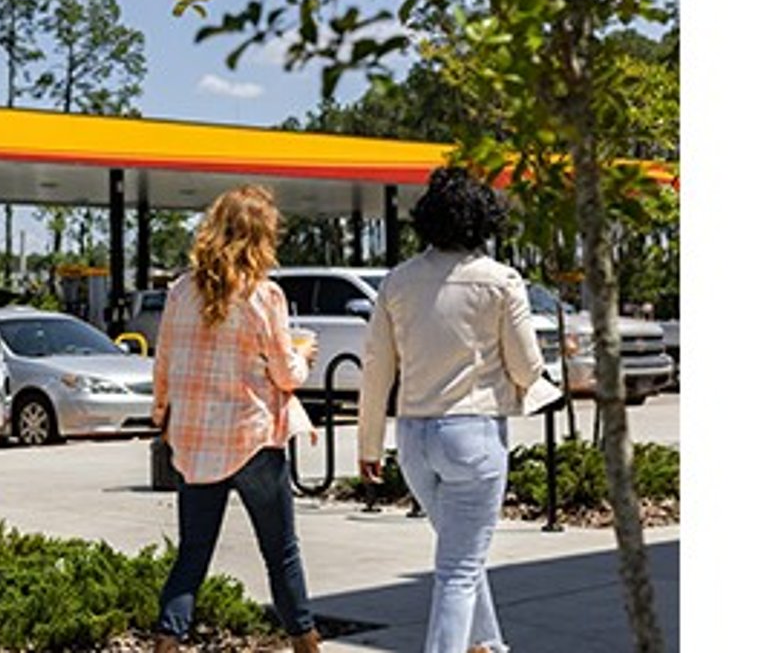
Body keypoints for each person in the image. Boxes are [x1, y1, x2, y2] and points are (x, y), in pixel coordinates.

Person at [357, 167, 545, 653]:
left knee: (460, 552)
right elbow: (527, 368)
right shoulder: (501, 281)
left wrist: (368, 444)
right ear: (483, 221)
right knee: (458, 569)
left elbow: (376, 368)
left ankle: (490, 645)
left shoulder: (396, 281)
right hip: (474, 436)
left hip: (414, 439)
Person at [150, 185, 321, 653]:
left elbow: (163, 364)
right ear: (262, 236)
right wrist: (304, 354)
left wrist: (160, 416)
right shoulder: (265, 296)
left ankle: (166, 641)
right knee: (281, 553)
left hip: (196, 443)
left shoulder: (181, 291)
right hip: (253, 438)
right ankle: (306, 644)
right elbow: (286, 376)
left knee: (192, 555)